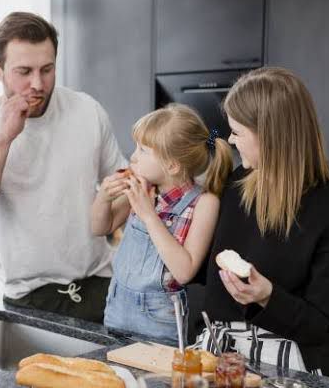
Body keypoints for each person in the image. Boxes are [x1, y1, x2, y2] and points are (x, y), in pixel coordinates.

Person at [0, 12, 126, 323]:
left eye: (47, 70)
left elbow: (119, 185)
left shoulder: (87, 111)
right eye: (24, 71)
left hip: (102, 289)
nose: (37, 84)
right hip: (30, 299)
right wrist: (4, 138)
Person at [199, 67, 329, 373]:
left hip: (281, 369)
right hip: (216, 356)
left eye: (237, 131)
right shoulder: (236, 186)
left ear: (270, 135)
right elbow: (205, 278)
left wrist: (267, 297)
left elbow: (322, 328)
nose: (231, 140)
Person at [92, 104, 232, 342]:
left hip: (159, 320)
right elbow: (99, 227)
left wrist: (148, 215)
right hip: (116, 308)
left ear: (172, 165)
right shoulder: (143, 187)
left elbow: (184, 270)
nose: (133, 157)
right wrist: (103, 197)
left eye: (143, 150)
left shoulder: (204, 203)